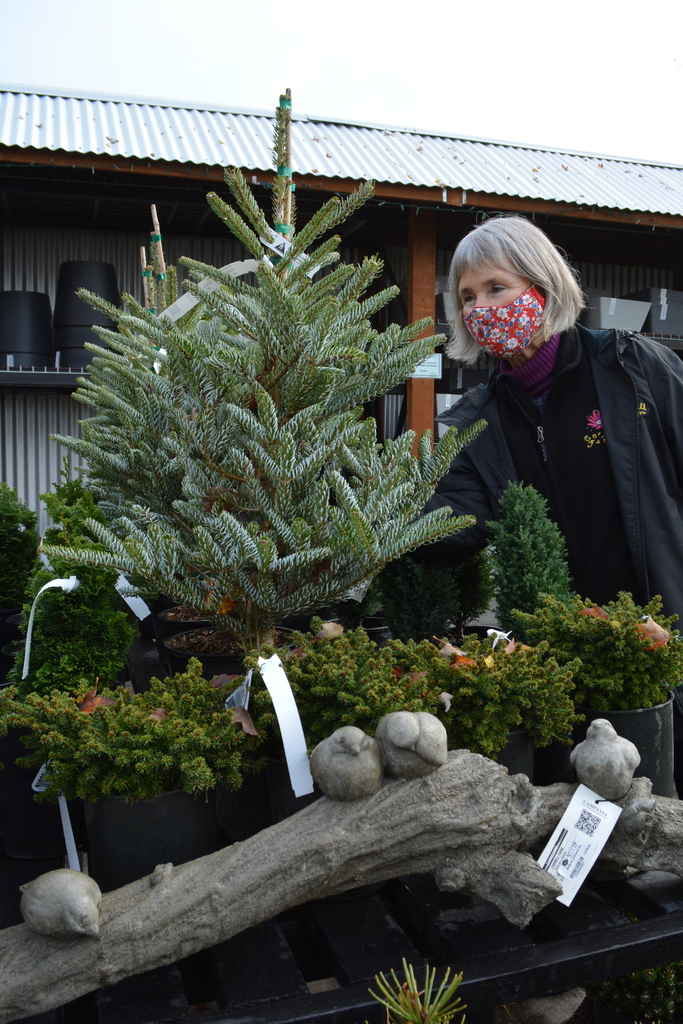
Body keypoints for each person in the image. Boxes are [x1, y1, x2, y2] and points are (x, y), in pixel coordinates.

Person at [420, 214, 683, 634]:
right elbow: (458, 526)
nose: (479, 308)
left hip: (665, 631)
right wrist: (370, 508)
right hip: (560, 644)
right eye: (468, 297)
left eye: (496, 288)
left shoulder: (631, 369)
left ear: (542, 288)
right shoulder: (480, 421)